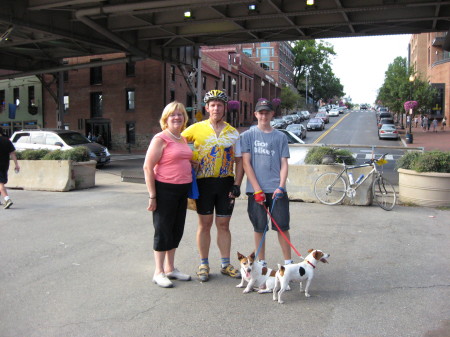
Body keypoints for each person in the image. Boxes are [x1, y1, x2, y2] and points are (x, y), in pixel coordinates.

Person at [182, 89, 244, 282]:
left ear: (224, 108)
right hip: (203, 183)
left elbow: (239, 161)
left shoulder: (233, 133)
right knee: (205, 224)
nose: (216, 108)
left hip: (226, 182)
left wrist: (237, 184)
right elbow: (176, 143)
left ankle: (225, 264)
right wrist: (190, 159)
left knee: (223, 224)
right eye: (212, 105)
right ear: (207, 108)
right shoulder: (195, 128)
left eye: (219, 105)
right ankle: (204, 263)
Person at [143, 101, 193, 288]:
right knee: (163, 229)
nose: (177, 117)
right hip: (164, 190)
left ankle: (170, 268)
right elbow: (148, 167)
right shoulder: (160, 138)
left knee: (176, 229)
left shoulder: (182, 138)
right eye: (173, 114)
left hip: (182, 190)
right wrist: (152, 195)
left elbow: (181, 158)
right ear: (166, 118)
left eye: (180, 114)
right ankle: (159, 271)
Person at [240, 100, 293, 267]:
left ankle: (288, 263)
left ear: (272, 114)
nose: (264, 115)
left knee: (282, 227)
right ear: (255, 114)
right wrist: (257, 190)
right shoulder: (247, 136)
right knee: (259, 228)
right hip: (256, 191)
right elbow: (246, 163)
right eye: (260, 112)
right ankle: (261, 264)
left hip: (276, 190)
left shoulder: (280, 137)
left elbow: (284, 163)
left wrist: (281, 186)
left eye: (267, 112)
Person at [0, 127, 20, 209]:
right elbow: (13, 153)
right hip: (5, 164)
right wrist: (16, 164)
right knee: (2, 182)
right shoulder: (7, 140)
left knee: (0, 183)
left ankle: (7, 199)